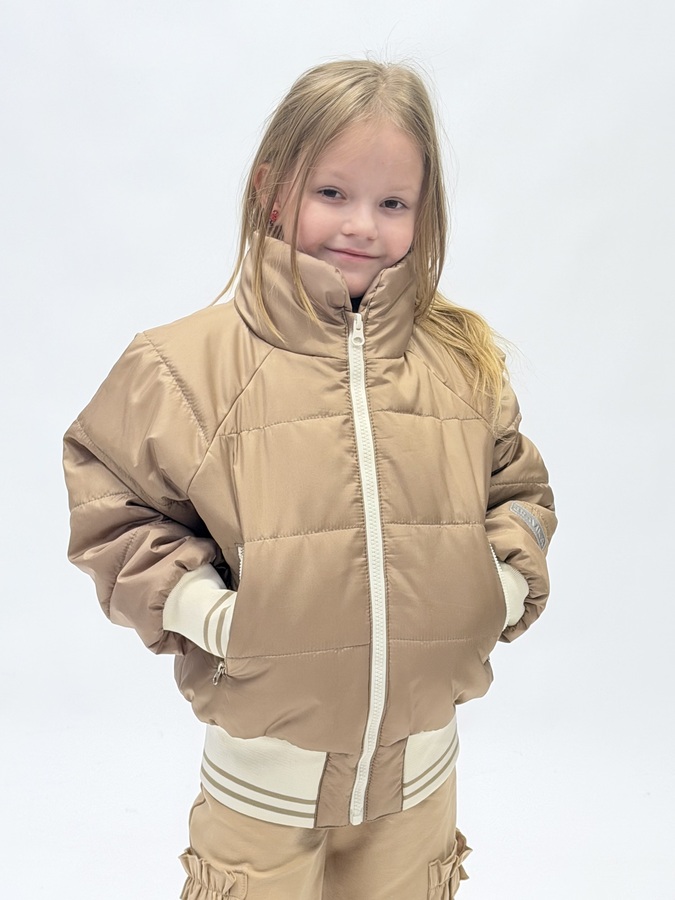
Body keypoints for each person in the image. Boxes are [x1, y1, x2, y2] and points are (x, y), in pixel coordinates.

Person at [63, 59, 557, 900]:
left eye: (393, 203)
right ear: (272, 191)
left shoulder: (459, 363)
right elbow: (113, 506)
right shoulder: (183, 367)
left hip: (420, 779)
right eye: (332, 193)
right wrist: (214, 615)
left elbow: (520, 495)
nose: (361, 225)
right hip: (263, 784)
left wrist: (497, 590)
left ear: (424, 212)